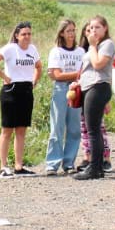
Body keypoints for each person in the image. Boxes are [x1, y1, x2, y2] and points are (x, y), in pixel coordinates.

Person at [0, 21, 42, 176]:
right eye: (23, 34)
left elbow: (39, 66)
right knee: (7, 129)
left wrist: (35, 80)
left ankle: (19, 166)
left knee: (21, 129)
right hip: (11, 90)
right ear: (17, 36)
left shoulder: (33, 49)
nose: (27, 37)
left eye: (29, 34)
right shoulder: (10, 49)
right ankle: (3, 166)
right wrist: (4, 76)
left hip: (26, 90)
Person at [44, 19, 85, 174]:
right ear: (62, 33)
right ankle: (52, 163)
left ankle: (69, 163)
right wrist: (78, 73)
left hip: (77, 88)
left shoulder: (80, 52)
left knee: (74, 128)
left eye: (73, 30)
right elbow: (56, 75)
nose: (72, 34)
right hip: (62, 89)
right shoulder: (56, 52)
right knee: (57, 126)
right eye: (68, 31)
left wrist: (76, 75)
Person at [76, 16, 114, 180]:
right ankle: (95, 167)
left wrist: (92, 45)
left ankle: (95, 168)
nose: (93, 31)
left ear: (105, 28)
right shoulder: (95, 46)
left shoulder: (107, 44)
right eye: (91, 28)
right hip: (88, 87)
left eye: (97, 27)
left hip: (98, 86)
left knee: (93, 129)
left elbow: (98, 64)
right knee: (92, 128)